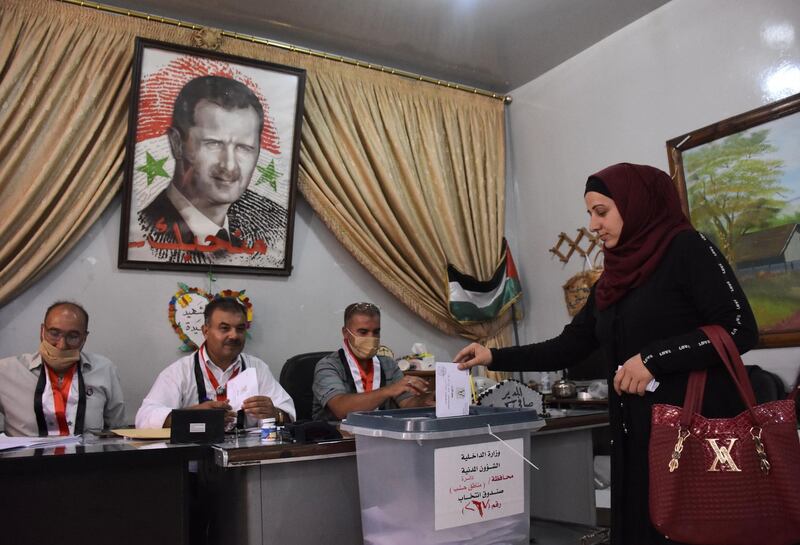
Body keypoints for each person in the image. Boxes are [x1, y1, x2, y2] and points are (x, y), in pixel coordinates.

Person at [454, 163, 758, 545]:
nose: (593, 225)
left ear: (637, 205)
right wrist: (493, 356)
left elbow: (739, 327)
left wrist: (653, 359)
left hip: (692, 435)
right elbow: (569, 345)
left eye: (602, 212)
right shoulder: (613, 280)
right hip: (635, 437)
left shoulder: (688, 248)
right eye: (590, 214)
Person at [137, 75, 288, 265]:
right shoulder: (143, 229)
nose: (229, 165)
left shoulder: (275, 224)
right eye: (214, 144)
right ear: (176, 144)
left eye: (244, 148)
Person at [136, 297, 295, 428]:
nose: (234, 336)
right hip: (193, 459)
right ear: (205, 331)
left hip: (246, 457)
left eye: (240, 329)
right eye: (224, 328)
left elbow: (289, 413)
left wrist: (276, 413)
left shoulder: (257, 368)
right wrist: (190, 415)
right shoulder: (180, 371)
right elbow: (144, 418)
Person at [0, 302, 126, 436]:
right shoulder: (6, 372)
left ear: (84, 338)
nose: (61, 345)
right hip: (27, 457)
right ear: (42, 331)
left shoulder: (104, 369)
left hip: (86, 456)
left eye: (73, 336)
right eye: (54, 333)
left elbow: (118, 431)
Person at [312, 302, 434, 421]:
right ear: (345, 333)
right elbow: (340, 409)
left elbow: (407, 403)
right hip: (339, 438)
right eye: (363, 332)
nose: (371, 338)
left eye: (376, 332)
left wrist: (425, 399)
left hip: (381, 435)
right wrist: (388, 390)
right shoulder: (328, 365)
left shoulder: (388, 364)